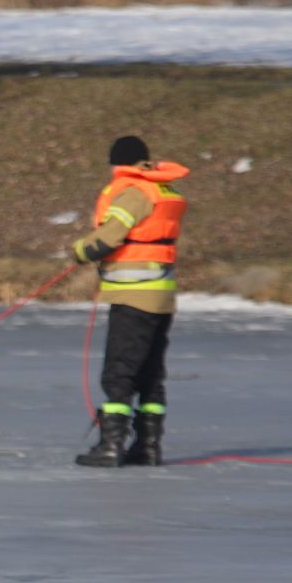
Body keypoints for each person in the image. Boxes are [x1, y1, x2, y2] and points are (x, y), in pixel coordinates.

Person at [71, 136, 189, 467]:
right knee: (151, 373)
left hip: (134, 294)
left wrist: (79, 251)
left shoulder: (134, 192)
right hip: (162, 294)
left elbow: (110, 236)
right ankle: (148, 447)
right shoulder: (164, 190)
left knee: (119, 371)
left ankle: (111, 447)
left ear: (119, 162)